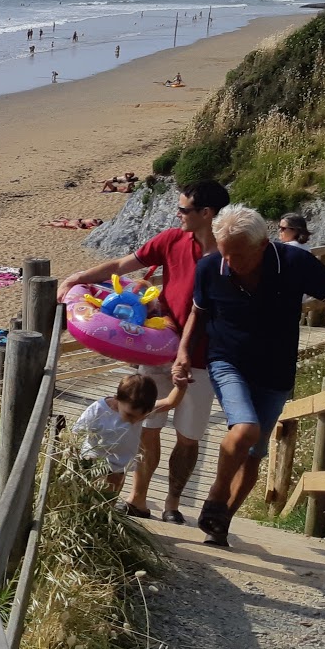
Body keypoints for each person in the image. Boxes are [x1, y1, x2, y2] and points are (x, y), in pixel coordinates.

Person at [179, 205, 325, 546]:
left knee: (254, 453)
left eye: (239, 256)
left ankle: (220, 523)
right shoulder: (211, 267)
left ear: (263, 245)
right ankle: (216, 493)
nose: (231, 265)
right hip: (227, 361)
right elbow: (198, 312)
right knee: (245, 429)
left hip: (276, 371)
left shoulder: (294, 263)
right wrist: (182, 352)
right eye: (226, 255)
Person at [58, 179, 228, 524]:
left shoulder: (229, 255)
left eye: (183, 209)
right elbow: (122, 266)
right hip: (159, 349)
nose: (177, 214)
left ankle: (173, 503)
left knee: (189, 436)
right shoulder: (170, 239)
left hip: (202, 357)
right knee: (147, 427)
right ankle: (138, 498)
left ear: (206, 213)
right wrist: (77, 278)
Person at [72, 374, 160, 494]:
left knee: (110, 495)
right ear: (116, 398)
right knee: (88, 492)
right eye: (130, 415)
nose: (133, 421)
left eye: (140, 418)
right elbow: (76, 432)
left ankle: (106, 509)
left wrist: (180, 388)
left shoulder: (140, 409)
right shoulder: (98, 410)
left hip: (119, 465)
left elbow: (170, 403)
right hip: (93, 459)